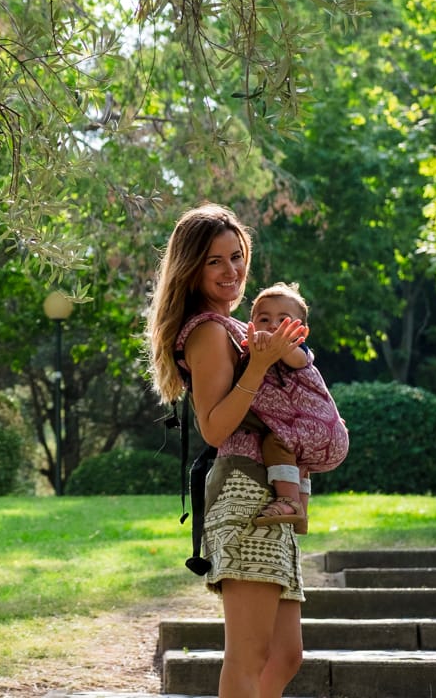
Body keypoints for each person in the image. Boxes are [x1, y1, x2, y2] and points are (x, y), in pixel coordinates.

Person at [147, 203, 308, 698]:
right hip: (244, 496)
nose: (231, 270)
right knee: (249, 655)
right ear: (191, 267)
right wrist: (258, 367)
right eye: (215, 260)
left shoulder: (237, 328)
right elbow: (215, 428)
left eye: (236, 256)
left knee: (284, 655)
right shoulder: (210, 332)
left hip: (269, 496)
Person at [242, 283, 349, 533]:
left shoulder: (299, 352)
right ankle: (302, 513)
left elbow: (296, 359)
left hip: (320, 431)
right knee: (298, 462)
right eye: (264, 319)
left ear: (302, 332)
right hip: (309, 435)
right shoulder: (253, 354)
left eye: (283, 320)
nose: (273, 326)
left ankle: (289, 502)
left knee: (275, 443)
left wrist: (276, 344)